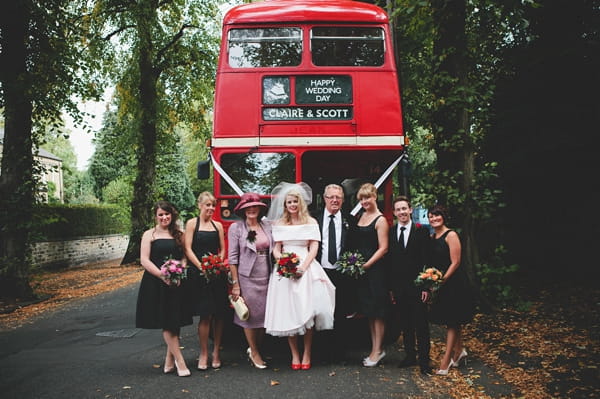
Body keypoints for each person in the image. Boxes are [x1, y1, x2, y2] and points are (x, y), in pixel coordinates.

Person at [264, 182, 336, 370]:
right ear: (285, 205)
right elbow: (276, 248)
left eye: (295, 201)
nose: (293, 205)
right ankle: (294, 355)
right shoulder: (279, 223)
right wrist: (284, 262)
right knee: (289, 312)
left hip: (306, 266)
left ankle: (307, 353)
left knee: (308, 311)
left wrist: (303, 267)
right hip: (285, 269)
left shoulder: (311, 222)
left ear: (300, 202)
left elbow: (314, 246)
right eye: (289, 202)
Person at [135, 201, 192, 377]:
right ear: (156, 216)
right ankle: (180, 361)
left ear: (172, 215)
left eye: (167, 214)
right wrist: (163, 275)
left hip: (176, 283)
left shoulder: (179, 234)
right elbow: (144, 260)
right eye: (160, 214)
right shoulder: (149, 234)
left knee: (175, 320)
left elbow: (184, 257)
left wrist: (179, 272)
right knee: (166, 322)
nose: (164, 217)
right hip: (156, 283)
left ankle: (169, 360)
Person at [387, 196, 432, 375]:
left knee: (421, 324)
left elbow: (427, 261)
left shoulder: (421, 232)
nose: (402, 212)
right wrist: (390, 288)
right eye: (398, 209)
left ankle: (424, 361)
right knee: (404, 323)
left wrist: (426, 287)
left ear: (410, 210)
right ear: (394, 213)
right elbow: (389, 262)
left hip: (417, 286)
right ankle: (410, 356)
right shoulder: (390, 233)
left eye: (404, 208)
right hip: (398, 287)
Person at [426, 204, 474, 376]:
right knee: (451, 319)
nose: (434, 218)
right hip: (441, 282)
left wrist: (441, 281)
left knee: (452, 321)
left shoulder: (451, 235)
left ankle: (445, 362)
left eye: (437, 215)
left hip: (454, 283)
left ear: (444, 217)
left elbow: (456, 262)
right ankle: (459, 351)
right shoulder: (432, 236)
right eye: (431, 216)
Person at [228, 192, 273, 369]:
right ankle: (254, 351)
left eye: (255, 207)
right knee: (250, 317)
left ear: (260, 209)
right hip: (247, 277)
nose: (252, 210)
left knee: (263, 317)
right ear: (243, 210)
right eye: (248, 207)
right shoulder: (237, 228)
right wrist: (236, 284)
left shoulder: (267, 225)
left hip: (267, 275)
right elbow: (232, 258)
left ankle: (256, 348)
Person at [184, 192, 227, 370]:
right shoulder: (192, 224)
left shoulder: (218, 226)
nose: (210, 208)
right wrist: (202, 266)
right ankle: (203, 353)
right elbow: (187, 248)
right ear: (199, 205)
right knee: (205, 315)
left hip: (216, 274)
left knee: (219, 315)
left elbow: (222, 250)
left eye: (213, 205)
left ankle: (216, 352)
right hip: (200, 275)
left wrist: (216, 263)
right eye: (207, 205)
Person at [349, 183, 389, 367]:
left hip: (376, 270)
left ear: (375, 197)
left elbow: (383, 248)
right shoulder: (361, 216)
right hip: (362, 269)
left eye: (368, 197)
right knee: (369, 312)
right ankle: (375, 348)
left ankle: (378, 350)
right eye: (362, 198)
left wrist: (367, 264)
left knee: (378, 311)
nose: (365, 201)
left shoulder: (380, 220)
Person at [315, 183, 354, 361]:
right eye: (331, 197)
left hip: (341, 271)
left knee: (341, 312)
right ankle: (322, 351)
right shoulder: (314, 219)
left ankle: (339, 353)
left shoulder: (350, 220)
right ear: (324, 199)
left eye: (338, 197)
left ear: (343, 200)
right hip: (320, 271)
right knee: (321, 311)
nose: (334, 200)